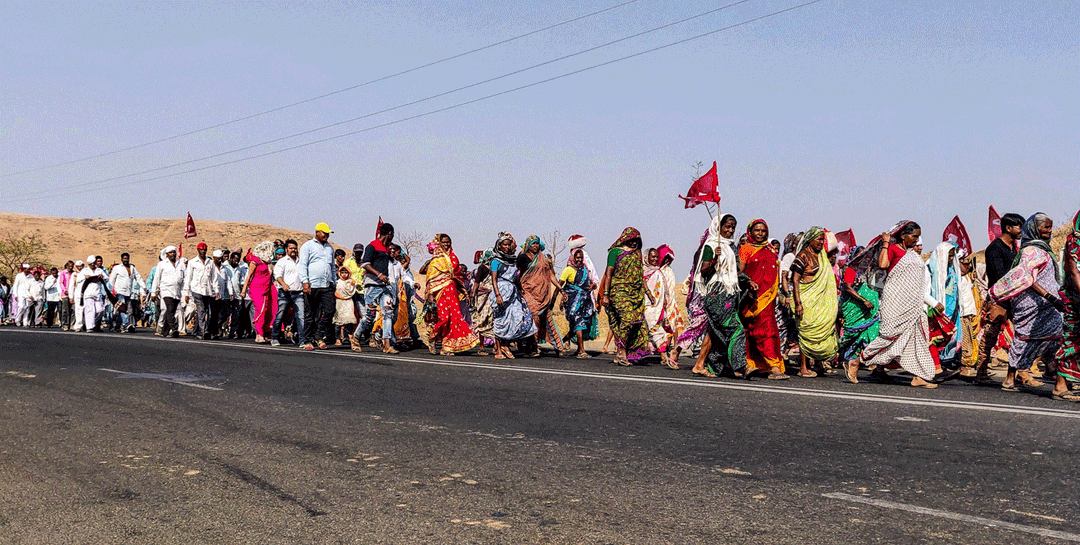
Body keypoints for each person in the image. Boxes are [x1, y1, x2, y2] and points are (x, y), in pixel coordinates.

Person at [847, 222, 937, 388]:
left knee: (918, 338)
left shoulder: (912, 254)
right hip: (895, 301)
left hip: (913, 304)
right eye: (914, 236)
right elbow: (883, 265)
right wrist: (886, 243)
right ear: (903, 236)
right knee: (889, 335)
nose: (916, 240)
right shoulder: (894, 248)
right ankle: (857, 360)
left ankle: (918, 376)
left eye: (918, 237)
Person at [988, 213, 1064, 392]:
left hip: (1047, 306)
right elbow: (1027, 279)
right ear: (1034, 228)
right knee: (1023, 339)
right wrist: (1051, 298)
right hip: (1031, 303)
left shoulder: (1044, 249)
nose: (1049, 230)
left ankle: (1058, 379)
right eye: (1045, 226)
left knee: (1057, 338)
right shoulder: (1030, 252)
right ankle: (1010, 377)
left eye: (1050, 226)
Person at [687, 214, 746, 378]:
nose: (730, 230)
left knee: (715, 331)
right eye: (727, 227)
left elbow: (736, 272)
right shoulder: (711, 246)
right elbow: (704, 271)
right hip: (716, 294)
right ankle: (741, 365)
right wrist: (714, 260)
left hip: (730, 294)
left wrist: (749, 281)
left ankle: (705, 365)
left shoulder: (732, 247)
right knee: (736, 329)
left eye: (733, 227)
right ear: (718, 227)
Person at [976, 212, 1024, 381]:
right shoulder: (995, 248)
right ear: (1008, 228)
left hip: (1013, 298)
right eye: (1019, 226)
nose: (1021, 230)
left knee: (1022, 333)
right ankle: (981, 372)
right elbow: (999, 276)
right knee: (991, 335)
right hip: (998, 299)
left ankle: (1021, 373)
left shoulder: (1014, 248)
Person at [738, 219, 787, 379]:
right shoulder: (745, 249)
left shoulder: (770, 249)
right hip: (752, 298)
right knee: (756, 332)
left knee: (768, 330)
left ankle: (767, 366)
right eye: (757, 230)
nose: (760, 233)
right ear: (750, 232)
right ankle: (769, 366)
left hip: (769, 299)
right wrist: (749, 284)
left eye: (763, 231)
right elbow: (741, 272)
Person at [598, 227, 653, 366]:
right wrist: (605, 294)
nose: (634, 243)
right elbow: (609, 273)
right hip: (619, 291)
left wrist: (648, 293)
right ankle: (622, 351)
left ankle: (621, 352)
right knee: (627, 319)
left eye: (637, 241)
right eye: (631, 240)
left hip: (635, 293)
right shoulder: (615, 252)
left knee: (634, 323)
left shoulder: (636, 254)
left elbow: (640, 275)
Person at [791, 227, 839, 377]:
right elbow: (795, 279)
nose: (821, 242)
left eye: (822, 239)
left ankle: (818, 364)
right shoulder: (802, 256)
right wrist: (798, 302)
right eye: (818, 239)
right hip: (806, 300)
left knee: (823, 331)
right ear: (810, 239)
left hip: (820, 302)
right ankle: (803, 368)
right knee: (806, 332)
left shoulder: (822, 257)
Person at [422, 233, 479, 355]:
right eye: (444, 242)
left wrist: (463, 290)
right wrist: (431, 295)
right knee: (444, 318)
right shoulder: (435, 260)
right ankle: (432, 336)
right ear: (439, 244)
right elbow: (430, 279)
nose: (446, 244)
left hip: (452, 292)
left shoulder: (454, 257)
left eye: (448, 242)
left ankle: (447, 347)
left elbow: (458, 275)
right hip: (440, 293)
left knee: (455, 319)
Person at [489, 232, 537, 359]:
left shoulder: (512, 260)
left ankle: (506, 344)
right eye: (505, 245)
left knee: (516, 317)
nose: (508, 247)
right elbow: (494, 280)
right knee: (501, 320)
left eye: (509, 245)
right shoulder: (495, 261)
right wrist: (498, 295)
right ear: (499, 246)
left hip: (513, 292)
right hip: (501, 291)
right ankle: (499, 348)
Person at [352, 223, 396, 353]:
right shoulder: (372, 245)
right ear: (389, 233)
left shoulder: (387, 248)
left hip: (385, 286)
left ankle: (387, 345)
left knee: (388, 313)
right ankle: (355, 337)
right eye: (392, 234)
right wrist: (378, 274)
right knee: (370, 315)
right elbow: (365, 264)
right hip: (372, 285)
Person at [517, 235, 564, 356]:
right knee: (534, 318)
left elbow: (550, 275)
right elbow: (516, 274)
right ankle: (532, 346)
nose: (535, 246)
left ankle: (557, 345)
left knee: (546, 318)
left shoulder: (543, 259)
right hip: (528, 292)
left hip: (542, 295)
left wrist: (561, 289)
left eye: (537, 243)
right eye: (532, 243)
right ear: (528, 245)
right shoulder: (522, 258)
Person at [1053, 209, 1080, 400]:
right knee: (1071, 340)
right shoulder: (1075, 241)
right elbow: (1075, 272)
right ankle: (1060, 386)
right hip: (1075, 301)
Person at [837, 245, 880, 365]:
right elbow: (848, 288)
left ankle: (857, 358)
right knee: (851, 334)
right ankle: (840, 355)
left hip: (863, 308)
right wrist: (863, 300)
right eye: (858, 255)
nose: (861, 258)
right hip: (853, 306)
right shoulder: (850, 270)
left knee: (866, 332)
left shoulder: (861, 270)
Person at [643, 245, 683, 368]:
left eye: (657, 257)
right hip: (645, 306)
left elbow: (665, 290)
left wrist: (666, 303)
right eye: (653, 257)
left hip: (658, 307)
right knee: (649, 329)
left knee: (657, 329)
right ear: (647, 258)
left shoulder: (659, 272)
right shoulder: (643, 272)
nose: (655, 259)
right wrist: (649, 295)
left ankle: (663, 356)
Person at [926, 242, 963, 376]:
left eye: (953, 257)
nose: (951, 259)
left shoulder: (952, 269)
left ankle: (944, 364)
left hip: (952, 309)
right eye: (949, 256)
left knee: (949, 336)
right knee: (936, 337)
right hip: (938, 309)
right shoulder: (930, 268)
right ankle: (936, 366)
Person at [299, 222, 337, 350]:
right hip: (312, 285)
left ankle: (319, 335)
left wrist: (334, 282)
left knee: (330, 311)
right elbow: (303, 265)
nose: (327, 235)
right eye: (324, 233)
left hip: (327, 285)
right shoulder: (307, 246)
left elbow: (332, 266)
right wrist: (305, 282)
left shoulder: (329, 248)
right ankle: (308, 340)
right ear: (317, 233)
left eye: (328, 233)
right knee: (310, 313)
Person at [559, 248, 598, 358]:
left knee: (576, 327)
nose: (579, 260)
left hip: (585, 302)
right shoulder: (568, 270)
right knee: (578, 323)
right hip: (572, 303)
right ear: (572, 258)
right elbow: (559, 285)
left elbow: (592, 283)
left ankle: (560, 342)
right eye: (577, 258)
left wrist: (593, 286)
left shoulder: (584, 270)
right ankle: (581, 351)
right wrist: (555, 300)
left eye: (581, 258)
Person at [272, 239, 306, 348]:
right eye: (291, 248)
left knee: (301, 316)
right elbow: (277, 275)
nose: (293, 250)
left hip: (298, 293)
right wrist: (283, 284)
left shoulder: (301, 261)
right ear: (286, 249)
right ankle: (274, 337)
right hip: (284, 293)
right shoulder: (282, 261)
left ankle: (302, 340)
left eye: (295, 248)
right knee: (280, 314)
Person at [240, 242, 276, 343]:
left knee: (267, 309)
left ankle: (265, 332)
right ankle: (258, 333)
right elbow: (249, 276)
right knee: (260, 310)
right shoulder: (254, 261)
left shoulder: (266, 263)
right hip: (257, 289)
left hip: (267, 288)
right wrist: (244, 290)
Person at [184, 242, 217, 340]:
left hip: (207, 291)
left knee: (206, 312)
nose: (203, 251)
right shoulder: (192, 262)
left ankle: (197, 330)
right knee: (201, 310)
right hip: (196, 290)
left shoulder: (210, 263)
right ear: (198, 250)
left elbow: (214, 277)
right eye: (201, 250)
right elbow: (188, 278)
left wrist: (216, 290)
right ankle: (203, 332)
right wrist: (186, 293)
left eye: (204, 250)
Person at [150, 247, 184, 337]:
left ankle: (164, 331)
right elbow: (157, 278)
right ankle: (174, 328)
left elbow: (185, 278)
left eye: (174, 252)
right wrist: (153, 292)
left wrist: (186, 292)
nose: (172, 254)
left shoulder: (180, 264)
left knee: (170, 310)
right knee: (170, 308)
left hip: (177, 291)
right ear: (167, 254)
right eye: (170, 252)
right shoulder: (162, 264)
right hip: (166, 290)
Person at [470, 249, 497, 355]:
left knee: (493, 319)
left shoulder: (495, 268)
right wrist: (474, 294)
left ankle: (496, 345)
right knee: (482, 319)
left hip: (492, 296)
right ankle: (481, 346)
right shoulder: (481, 268)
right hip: (483, 297)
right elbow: (477, 282)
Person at [109, 252, 143, 332]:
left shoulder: (132, 268)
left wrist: (143, 286)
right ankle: (126, 324)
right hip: (119, 291)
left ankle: (118, 325)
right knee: (122, 308)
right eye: (124, 258)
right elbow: (111, 280)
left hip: (128, 292)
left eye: (127, 258)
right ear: (121, 259)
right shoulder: (117, 268)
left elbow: (138, 277)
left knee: (126, 310)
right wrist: (110, 291)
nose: (125, 260)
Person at [224, 251, 249, 339]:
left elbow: (241, 280)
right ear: (231, 259)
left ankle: (233, 331)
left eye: (238, 260)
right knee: (225, 313)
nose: (236, 261)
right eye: (235, 259)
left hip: (237, 295)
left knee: (236, 314)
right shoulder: (225, 267)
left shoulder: (239, 268)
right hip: (226, 295)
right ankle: (219, 329)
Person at [79, 256, 108, 331]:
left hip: (97, 293)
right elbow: (78, 280)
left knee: (100, 310)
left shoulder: (99, 270)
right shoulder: (84, 271)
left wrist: (102, 277)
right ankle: (89, 327)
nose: (92, 265)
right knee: (89, 310)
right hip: (88, 294)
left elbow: (107, 278)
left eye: (93, 263)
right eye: (90, 264)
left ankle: (89, 322)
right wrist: (85, 277)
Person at [333, 266, 357, 345]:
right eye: (342, 273)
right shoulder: (337, 282)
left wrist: (352, 283)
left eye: (346, 273)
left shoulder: (351, 282)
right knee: (338, 321)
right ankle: (337, 338)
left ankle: (346, 338)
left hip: (348, 302)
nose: (344, 275)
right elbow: (335, 292)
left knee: (348, 321)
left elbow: (352, 291)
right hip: (339, 302)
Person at [58, 261, 73, 330]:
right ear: (67, 266)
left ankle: (72, 324)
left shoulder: (74, 273)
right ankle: (65, 324)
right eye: (69, 266)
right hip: (65, 294)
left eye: (71, 266)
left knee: (72, 309)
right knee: (65, 310)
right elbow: (61, 283)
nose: (70, 268)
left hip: (72, 294)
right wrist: (64, 290)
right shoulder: (63, 273)